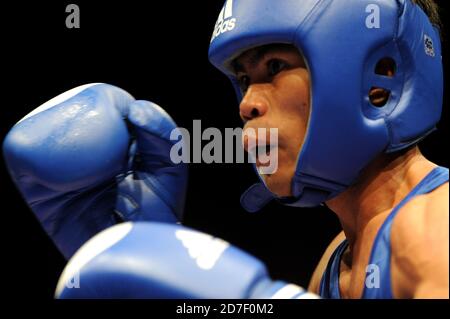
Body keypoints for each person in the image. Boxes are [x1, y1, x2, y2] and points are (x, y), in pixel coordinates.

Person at [3, 0, 448, 299]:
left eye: (274, 67)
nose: (246, 103)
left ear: (380, 82)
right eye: (242, 79)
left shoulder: (434, 225)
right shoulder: (336, 259)